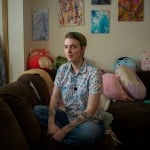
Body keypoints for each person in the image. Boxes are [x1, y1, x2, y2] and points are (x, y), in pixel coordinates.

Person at [33, 32, 105, 149]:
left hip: (89, 122)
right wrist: (51, 122)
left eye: (73, 46)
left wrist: (63, 131)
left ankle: (55, 137)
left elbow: (91, 110)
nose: (68, 51)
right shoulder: (62, 69)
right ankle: (64, 136)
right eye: (66, 47)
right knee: (38, 110)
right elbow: (55, 97)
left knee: (89, 133)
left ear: (83, 48)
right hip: (68, 117)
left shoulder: (93, 72)